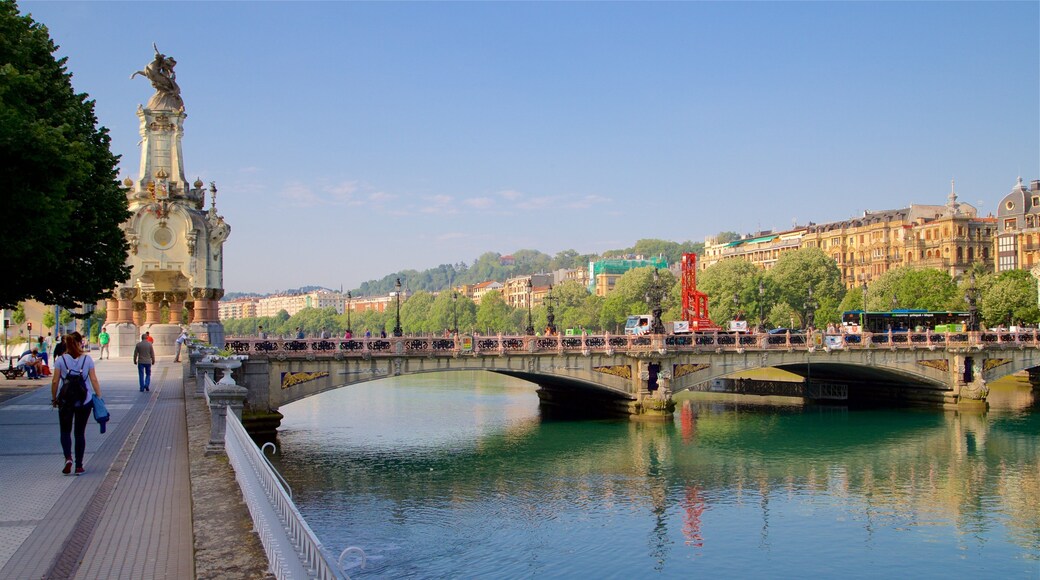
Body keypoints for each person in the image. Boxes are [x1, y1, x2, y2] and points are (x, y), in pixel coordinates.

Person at [51, 331, 101, 476]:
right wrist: (98, 396)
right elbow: (94, 379)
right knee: (80, 433)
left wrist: (54, 398)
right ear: (80, 343)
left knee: (65, 431)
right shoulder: (87, 360)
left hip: (66, 401)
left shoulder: (60, 360)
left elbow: (55, 381)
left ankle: (68, 458)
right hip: (84, 401)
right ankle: (79, 465)